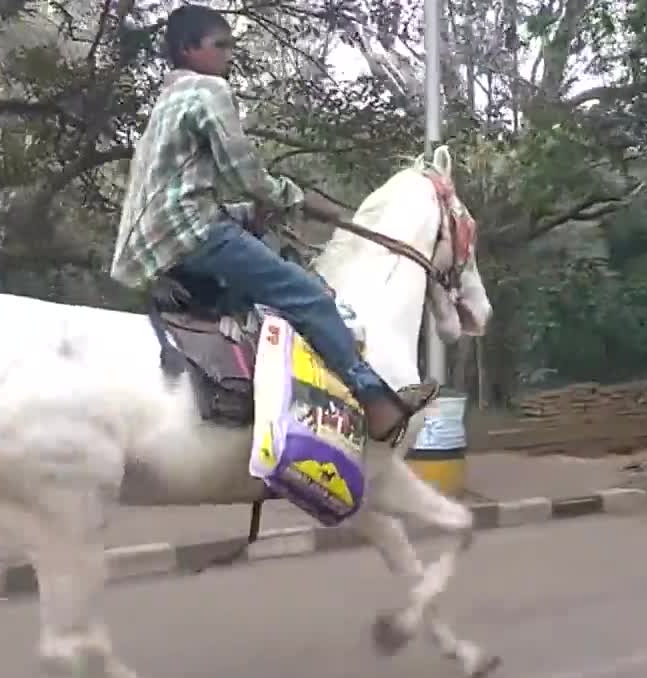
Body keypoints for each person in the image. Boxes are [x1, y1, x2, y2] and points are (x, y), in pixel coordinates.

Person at [110, 3, 437, 444]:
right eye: (220, 45)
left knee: (254, 296)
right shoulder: (208, 90)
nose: (228, 55)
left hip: (155, 246)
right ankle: (375, 401)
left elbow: (181, 186)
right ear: (189, 49)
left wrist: (250, 213)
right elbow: (242, 173)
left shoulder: (167, 101)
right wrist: (288, 196)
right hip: (192, 231)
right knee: (309, 297)